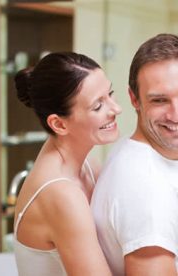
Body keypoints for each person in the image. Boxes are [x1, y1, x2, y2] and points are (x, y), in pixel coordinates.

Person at [92, 33, 178, 276]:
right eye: (159, 100)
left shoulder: (131, 152)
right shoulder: (148, 187)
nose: (176, 115)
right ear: (134, 98)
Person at [13, 52, 121, 275]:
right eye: (98, 105)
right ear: (59, 124)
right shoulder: (60, 193)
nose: (115, 109)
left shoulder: (87, 164)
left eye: (109, 94)